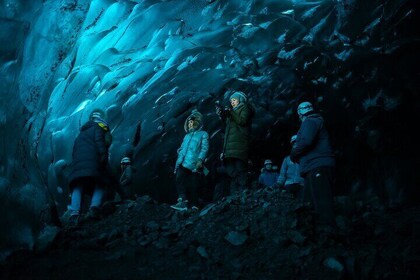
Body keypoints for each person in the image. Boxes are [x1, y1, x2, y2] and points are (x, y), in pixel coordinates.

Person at [290, 102, 335, 226]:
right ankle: (320, 234)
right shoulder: (317, 121)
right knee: (310, 201)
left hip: (318, 165)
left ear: (300, 113)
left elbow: (306, 141)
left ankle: (329, 232)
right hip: (314, 166)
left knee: (322, 201)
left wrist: (294, 153)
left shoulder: (309, 122)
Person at [67, 109, 112, 226]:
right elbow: (99, 143)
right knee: (101, 183)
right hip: (93, 162)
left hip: (78, 166)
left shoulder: (80, 135)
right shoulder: (98, 128)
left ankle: (74, 214)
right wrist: (104, 157)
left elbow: (74, 152)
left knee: (78, 186)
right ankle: (94, 208)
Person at [171, 110, 209, 211]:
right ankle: (183, 201)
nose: (190, 124)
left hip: (194, 163)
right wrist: (180, 150)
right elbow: (183, 147)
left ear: (197, 122)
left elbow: (204, 148)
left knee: (194, 184)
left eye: (192, 122)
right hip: (182, 162)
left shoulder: (203, 134)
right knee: (179, 178)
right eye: (189, 123)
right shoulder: (186, 136)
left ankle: (195, 205)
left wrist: (200, 160)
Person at [216, 91, 254, 194]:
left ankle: (245, 193)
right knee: (231, 171)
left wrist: (230, 112)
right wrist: (222, 115)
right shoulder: (232, 113)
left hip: (240, 144)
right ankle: (236, 195)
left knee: (240, 168)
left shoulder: (245, 108)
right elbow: (228, 128)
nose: (232, 102)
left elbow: (242, 121)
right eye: (231, 100)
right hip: (229, 148)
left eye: (234, 100)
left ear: (240, 99)